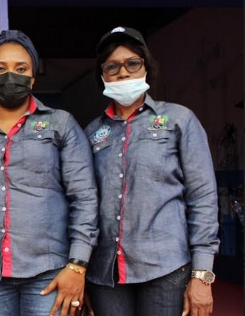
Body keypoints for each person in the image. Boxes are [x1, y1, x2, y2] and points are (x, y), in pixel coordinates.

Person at [0, 30, 99, 316]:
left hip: (50, 272)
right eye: (0, 69)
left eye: (20, 69)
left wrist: (77, 265)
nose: (10, 76)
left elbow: (84, 198)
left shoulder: (60, 125)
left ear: (33, 77)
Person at [84, 26, 219, 316]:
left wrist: (202, 274)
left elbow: (203, 199)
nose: (123, 73)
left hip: (166, 269)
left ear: (146, 67)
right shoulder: (93, 133)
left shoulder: (178, 120)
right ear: (102, 75)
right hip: (106, 274)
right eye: (112, 66)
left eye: (132, 63)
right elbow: (83, 203)